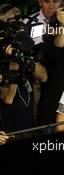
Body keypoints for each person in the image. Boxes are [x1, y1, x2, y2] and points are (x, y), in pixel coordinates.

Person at [0, 4, 48, 132]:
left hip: (28, 124)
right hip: (8, 129)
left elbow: (43, 76)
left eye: (20, 18)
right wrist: (14, 62)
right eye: (12, 21)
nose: (19, 23)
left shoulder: (24, 48)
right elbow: (8, 98)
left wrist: (24, 56)